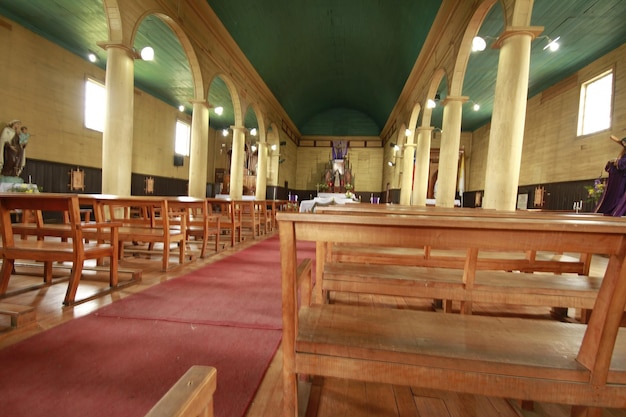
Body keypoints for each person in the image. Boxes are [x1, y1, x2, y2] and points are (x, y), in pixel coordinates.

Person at [594, 134, 626, 216]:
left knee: (620, 197)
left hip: (623, 179)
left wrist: (617, 162)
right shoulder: (623, 154)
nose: (624, 145)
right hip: (621, 177)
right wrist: (614, 162)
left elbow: (622, 164)